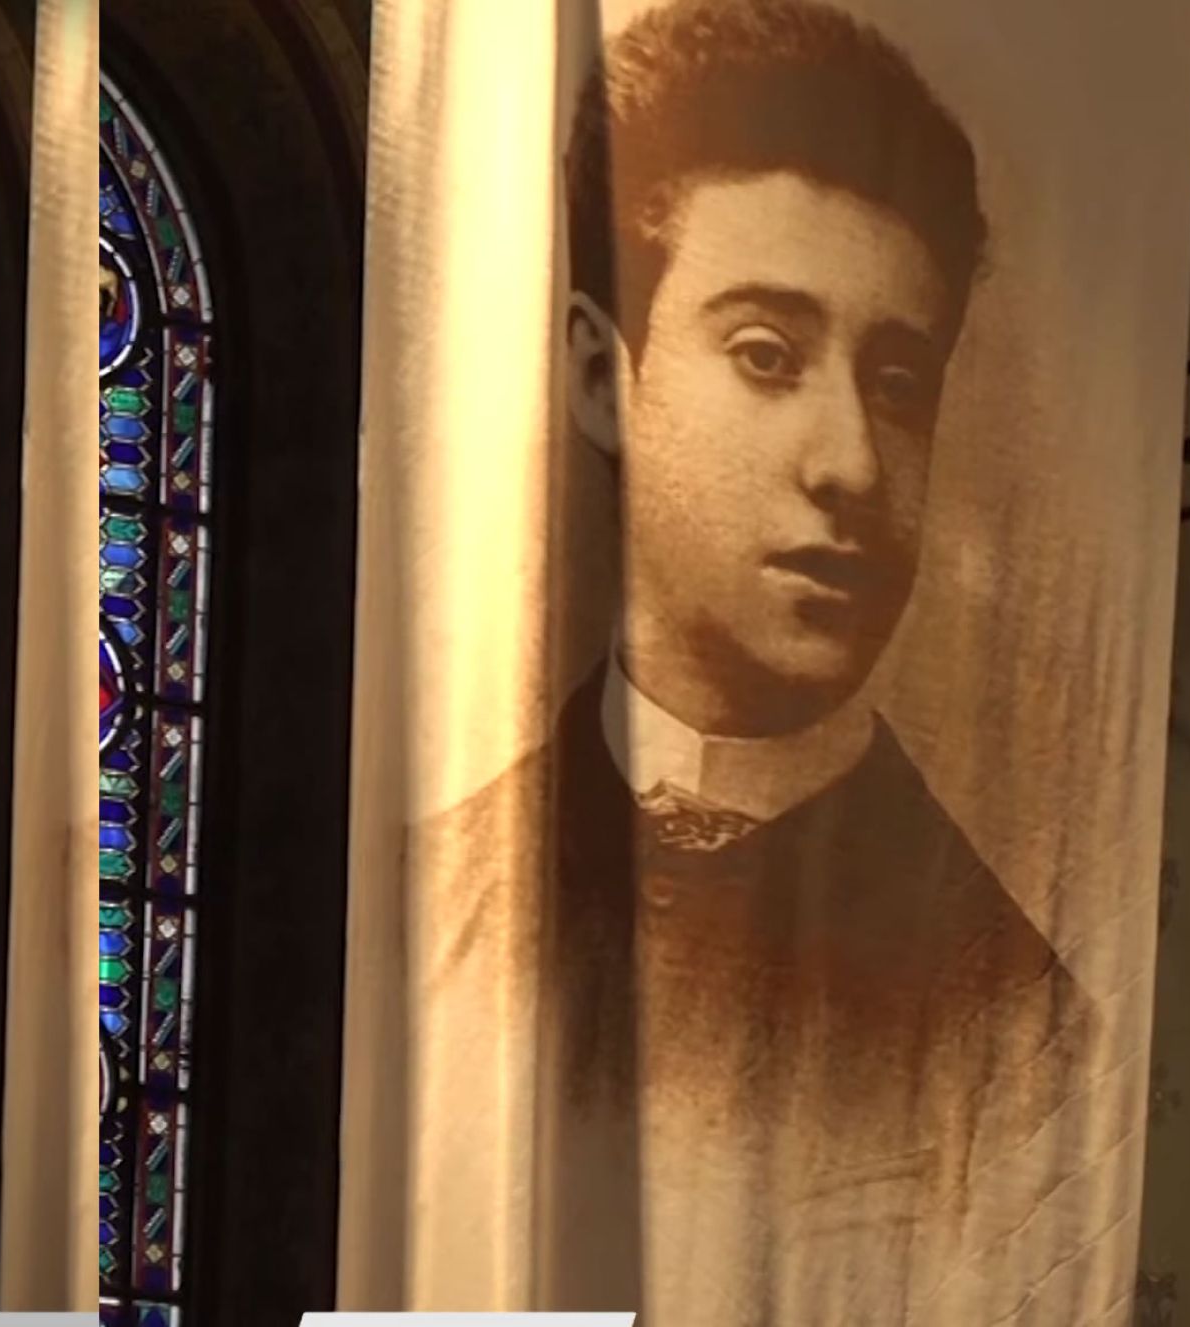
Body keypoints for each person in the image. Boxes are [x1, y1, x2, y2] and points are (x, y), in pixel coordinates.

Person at [414, 1, 1087, 1320]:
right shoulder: (432, 898)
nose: (852, 465)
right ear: (603, 375)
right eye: (767, 356)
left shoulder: (1015, 1018)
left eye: (899, 384)